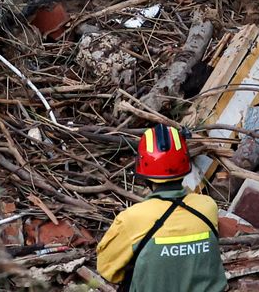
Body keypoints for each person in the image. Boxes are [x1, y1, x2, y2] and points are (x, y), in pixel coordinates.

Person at [95, 125, 227, 292]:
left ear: (143, 171)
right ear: (185, 161)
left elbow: (107, 270)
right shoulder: (207, 207)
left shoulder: (133, 217)